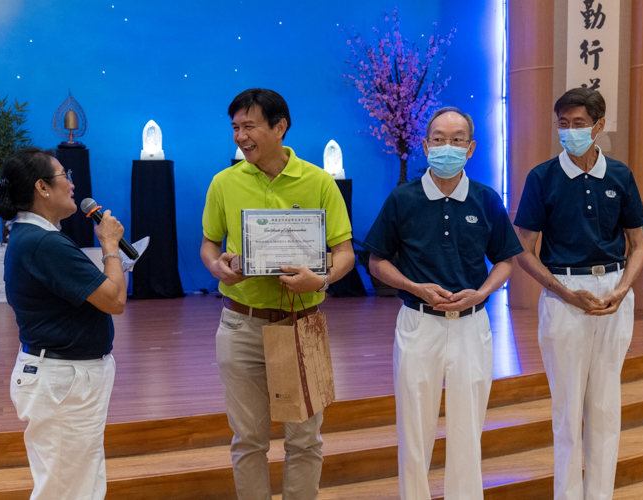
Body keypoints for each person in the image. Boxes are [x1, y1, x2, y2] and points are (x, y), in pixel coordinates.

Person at [200, 88, 354, 500]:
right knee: (248, 438)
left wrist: (319, 281)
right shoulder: (224, 182)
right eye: (235, 127)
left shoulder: (319, 182)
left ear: (280, 126)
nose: (240, 136)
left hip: (302, 324)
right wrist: (218, 268)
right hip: (240, 323)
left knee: (305, 440)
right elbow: (209, 245)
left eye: (249, 126)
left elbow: (345, 254)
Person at [363, 107, 523, 500]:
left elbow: (506, 259)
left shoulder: (486, 199)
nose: (445, 147)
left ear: (470, 149)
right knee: (414, 430)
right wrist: (415, 287)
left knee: (469, 429)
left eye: (455, 140)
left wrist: (484, 292)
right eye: (438, 139)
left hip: (472, 324)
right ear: (425, 145)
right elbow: (376, 260)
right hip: (419, 324)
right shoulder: (403, 199)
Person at [513, 88, 643, 500]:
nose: (569, 132)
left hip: (613, 294)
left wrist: (623, 290)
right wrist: (564, 292)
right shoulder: (542, 177)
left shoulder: (620, 176)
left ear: (599, 126)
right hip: (563, 294)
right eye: (563, 124)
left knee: (606, 406)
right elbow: (523, 250)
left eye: (578, 124)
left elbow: (638, 245)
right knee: (568, 411)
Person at [0, 147, 128, 499]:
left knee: (77, 482)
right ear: (42, 187)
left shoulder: (31, 236)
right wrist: (110, 246)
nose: (72, 184)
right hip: (63, 381)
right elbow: (114, 300)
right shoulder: (44, 243)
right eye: (64, 176)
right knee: (68, 488)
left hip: (61, 379)